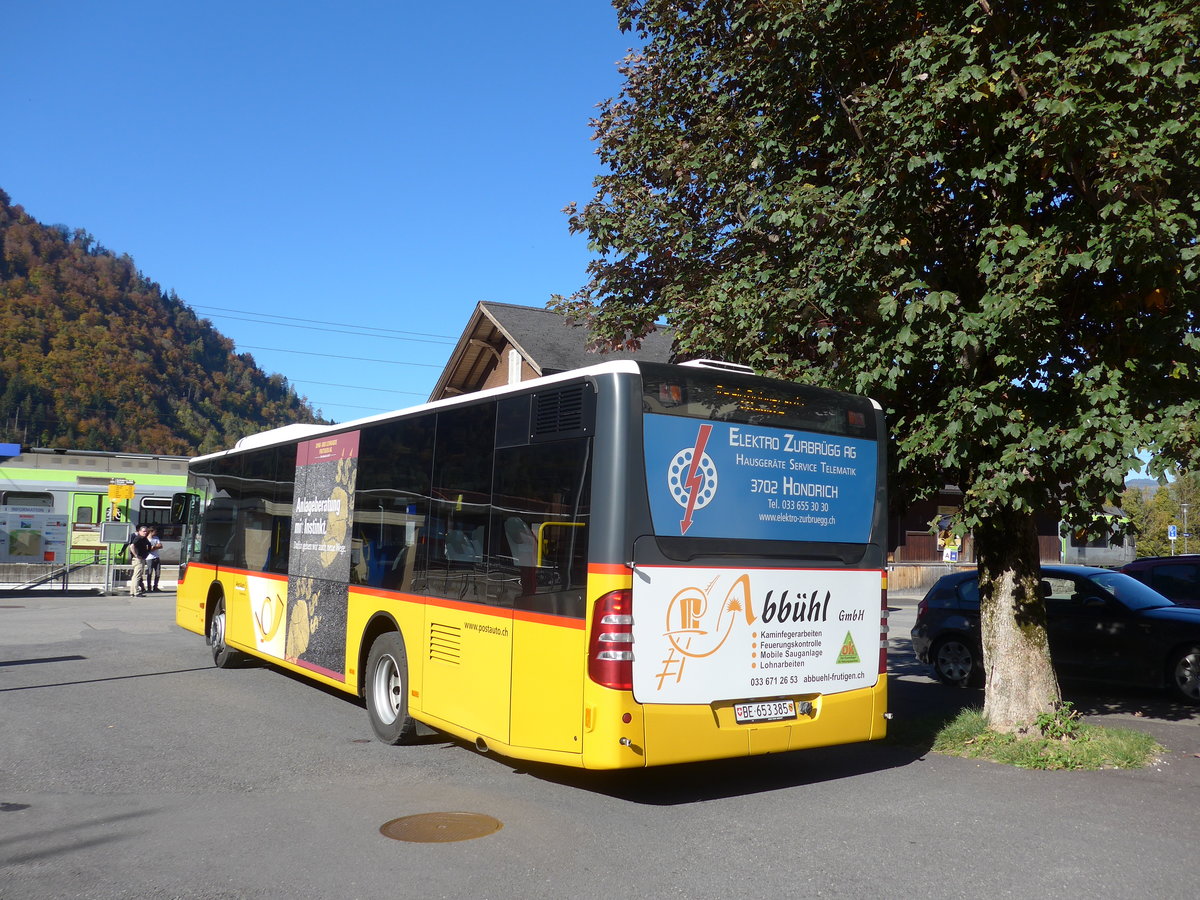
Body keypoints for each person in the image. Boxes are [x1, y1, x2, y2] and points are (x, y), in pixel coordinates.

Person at [127, 524, 152, 597]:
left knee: (135, 576)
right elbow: (131, 546)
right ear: (139, 531)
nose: (145, 533)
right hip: (138, 560)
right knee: (137, 576)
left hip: (141, 558)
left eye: (146, 531)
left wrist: (147, 552)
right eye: (144, 531)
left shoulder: (144, 538)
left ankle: (132, 592)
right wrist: (136, 555)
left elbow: (149, 545)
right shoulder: (138, 538)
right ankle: (136, 592)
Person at [145, 526, 164, 592]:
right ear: (151, 532)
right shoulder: (146, 539)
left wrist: (153, 547)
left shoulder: (156, 538)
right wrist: (155, 547)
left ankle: (155, 587)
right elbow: (147, 549)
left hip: (156, 557)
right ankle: (149, 587)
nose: (156, 533)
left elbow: (160, 546)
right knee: (149, 573)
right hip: (149, 558)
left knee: (158, 573)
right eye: (155, 531)